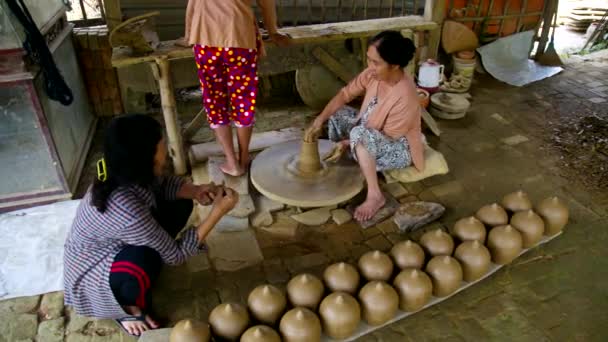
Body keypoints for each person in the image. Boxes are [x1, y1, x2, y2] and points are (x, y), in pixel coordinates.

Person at [63, 115, 238, 337]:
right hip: (92, 271)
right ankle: (126, 308)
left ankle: (151, 254)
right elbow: (176, 256)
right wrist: (217, 212)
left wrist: (197, 190)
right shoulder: (127, 211)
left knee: (180, 201)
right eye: (160, 148)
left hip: (121, 238)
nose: (165, 150)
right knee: (143, 259)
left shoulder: (123, 166)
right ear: (143, 161)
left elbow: (162, 183)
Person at [305, 31, 425, 222]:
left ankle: (375, 195)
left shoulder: (405, 96)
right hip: (369, 129)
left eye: (376, 63)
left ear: (394, 65)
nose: (370, 67)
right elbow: (345, 95)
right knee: (337, 112)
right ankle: (349, 157)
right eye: (369, 60)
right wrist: (319, 120)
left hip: (397, 146)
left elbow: (387, 136)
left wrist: (347, 142)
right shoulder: (373, 74)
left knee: (359, 134)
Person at [184, 0, 290, 176]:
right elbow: (267, 4)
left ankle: (232, 162)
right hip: (239, 36)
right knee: (243, 101)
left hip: (205, 38)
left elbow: (192, 5)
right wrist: (273, 32)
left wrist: (189, 34)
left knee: (214, 101)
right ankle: (243, 158)